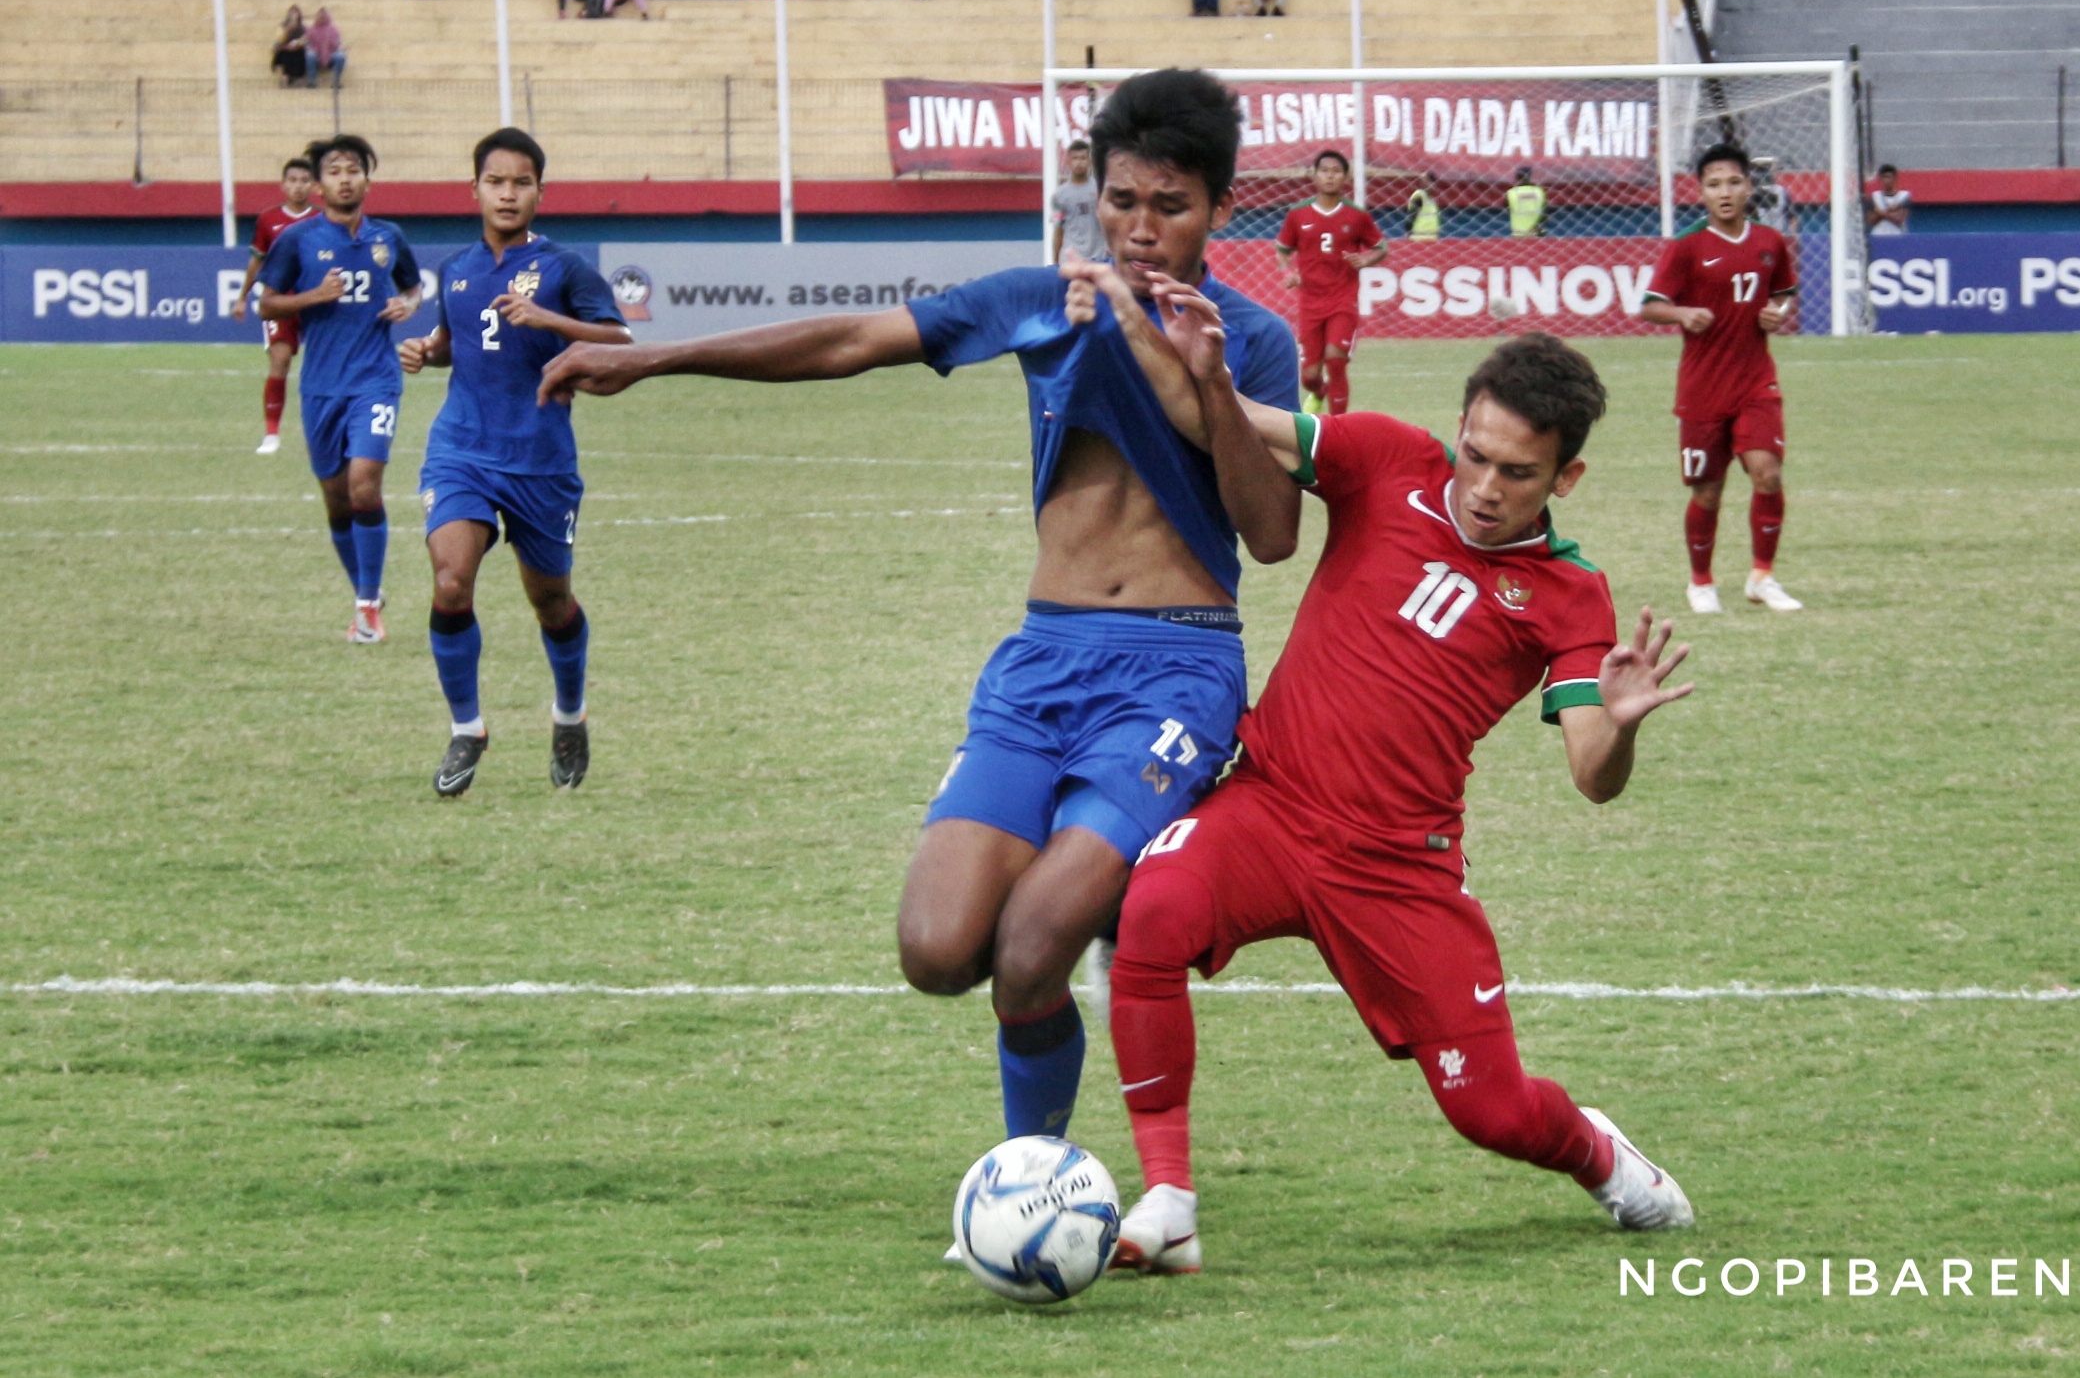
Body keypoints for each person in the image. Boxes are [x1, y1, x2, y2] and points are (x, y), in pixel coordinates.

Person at [536, 68, 1302, 1161]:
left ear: (1219, 209)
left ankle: (1029, 1180)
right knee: (938, 950)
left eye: (1168, 207)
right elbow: (851, 339)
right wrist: (654, 356)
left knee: (1032, 942)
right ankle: (1095, 898)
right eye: (1120, 202)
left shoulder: (1251, 337)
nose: (1138, 230)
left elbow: (1271, 535)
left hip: (1175, 670)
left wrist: (1204, 376)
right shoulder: (1046, 301)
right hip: (1041, 663)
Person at [1091, 306, 1699, 1271]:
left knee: (1490, 1113)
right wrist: (1175, 352)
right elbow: (1233, 421)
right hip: (1272, 807)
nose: (1486, 487)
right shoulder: (1384, 459)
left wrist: (1618, 726)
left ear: (1565, 478)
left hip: (1396, 869)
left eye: (1518, 472)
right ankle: (1168, 1200)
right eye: (1476, 455)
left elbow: (1592, 776)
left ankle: (1597, 1151)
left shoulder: (1569, 595)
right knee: (1150, 911)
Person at [397, 129, 632, 798]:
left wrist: (547, 318)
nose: (507, 193)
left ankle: (569, 715)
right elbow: (458, 343)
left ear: (539, 192)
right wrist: (427, 351)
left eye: (520, 182)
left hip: (540, 459)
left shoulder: (564, 269)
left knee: (551, 603)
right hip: (461, 450)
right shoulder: (458, 268)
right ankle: (467, 728)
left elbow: (621, 338)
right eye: (495, 181)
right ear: (473, 189)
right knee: (450, 582)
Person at [255, 134, 424, 645]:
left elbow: (412, 285)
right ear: (320, 184)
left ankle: (368, 608)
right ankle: (364, 591)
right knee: (336, 501)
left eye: (354, 169)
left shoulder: (388, 237)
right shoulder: (297, 241)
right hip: (322, 386)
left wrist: (408, 306)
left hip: (376, 379)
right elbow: (267, 304)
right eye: (334, 170)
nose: (345, 177)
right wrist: (314, 296)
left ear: (368, 180)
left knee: (364, 486)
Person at [1638, 143, 1802, 615]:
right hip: (1702, 391)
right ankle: (1701, 581)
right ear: (1701, 192)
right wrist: (1682, 312)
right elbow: (1649, 306)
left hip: (1755, 382)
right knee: (1707, 490)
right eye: (1714, 184)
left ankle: (1762, 577)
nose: (1724, 192)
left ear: (1749, 187)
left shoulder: (1770, 243)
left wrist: (1779, 313)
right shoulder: (1687, 246)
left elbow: (1784, 294)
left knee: (1766, 473)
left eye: (1733, 182)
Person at [1275, 149, 1385, 414]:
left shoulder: (1357, 216)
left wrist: (1366, 260)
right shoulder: (1298, 215)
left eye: (1336, 172)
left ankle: (1338, 428)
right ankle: (1320, 391)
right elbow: (1282, 250)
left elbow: (1381, 248)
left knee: (1336, 361)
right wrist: (1288, 273)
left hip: (1342, 300)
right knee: (1309, 376)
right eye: (1325, 171)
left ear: (1345, 177)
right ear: (1314, 175)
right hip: (1310, 303)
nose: (1330, 177)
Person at [231, 156, 321, 455]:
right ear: (283, 185)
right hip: (280, 301)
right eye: (293, 180)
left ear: (314, 186)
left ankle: (321, 431)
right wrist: (243, 297)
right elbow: (256, 261)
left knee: (323, 364)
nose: (298, 186)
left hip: (316, 300)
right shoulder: (268, 220)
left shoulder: (323, 219)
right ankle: (272, 434)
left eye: (304, 181)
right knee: (280, 360)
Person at [1050, 140, 1110, 263]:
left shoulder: (1102, 189)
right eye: (1075, 158)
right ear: (1068, 162)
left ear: (1090, 161)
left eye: (1083, 158)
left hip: (1098, 257)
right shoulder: (1059, 195)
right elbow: (1058, 230)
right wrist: (1055, 262)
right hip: (1071, 259)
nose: (1079, 163)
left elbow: (1111, 223)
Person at [302, 7, 346, 88]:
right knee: (310, 56)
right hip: (316, 54)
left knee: (340, 57)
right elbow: (307, 43)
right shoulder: (311, 29)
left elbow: (338, 43)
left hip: (331, 54)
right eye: (320, 16)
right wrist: (310, 49)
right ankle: (312, 81)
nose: (322, 18)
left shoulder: (333, 29)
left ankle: (336, 81)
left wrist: (339, 48)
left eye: (324, 16)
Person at [1867, 163, 1910, 237]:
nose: (1886, 180)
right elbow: (1871, 221)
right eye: (1883, 177)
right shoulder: (1874, 196)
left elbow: (1899, 220)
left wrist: (1881, 212)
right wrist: (1890, 210)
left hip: (1897, 235)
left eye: (1888, 177)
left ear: (1895, 178)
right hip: (1878, 236)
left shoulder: (1904, 196)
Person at [269, 7, 309, 86]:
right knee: (283, 54)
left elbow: (305, 40)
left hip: (298, 50)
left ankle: (295, 78)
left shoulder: (303, 28)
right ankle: (285, 77)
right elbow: (279, 40)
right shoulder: (282, 27)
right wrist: (288, 29)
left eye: (295, 13)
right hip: (284, 49)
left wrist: (298, 44)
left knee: (300, 54)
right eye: (292, 13)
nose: (293, 15)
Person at [1506, 166, 1546, 237]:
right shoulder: (1539, 191)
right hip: (1535, 232)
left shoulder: (1511, 193)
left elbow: (1507, 211)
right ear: (1530, 176)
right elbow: (1545, 214)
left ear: (1517, 177)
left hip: (1518, 233)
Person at [1404, 171, 1441, 239]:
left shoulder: (1432, 201)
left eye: (1432, 182)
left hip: (1432, 238)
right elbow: (1411, 215)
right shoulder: (1420, 196)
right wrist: (1407, 232)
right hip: (1419, 237)